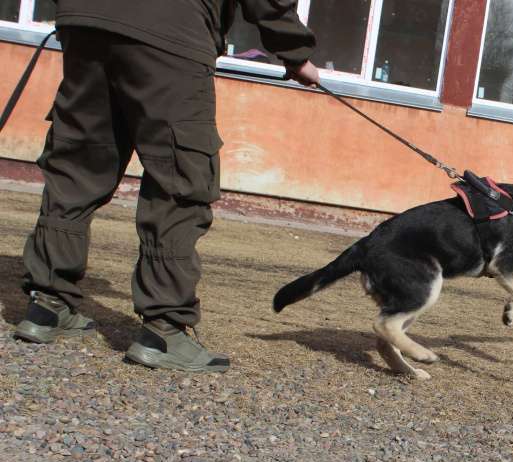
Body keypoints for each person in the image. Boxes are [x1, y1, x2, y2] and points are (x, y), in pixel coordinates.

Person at [14, 0, 320, 372]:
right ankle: (164, 330)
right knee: (180, 175)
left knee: (79, 162)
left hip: (86, 19)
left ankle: (48, 304)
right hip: (172, 28)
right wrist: (296, 54)